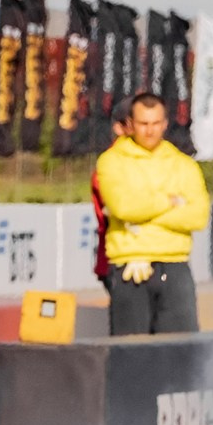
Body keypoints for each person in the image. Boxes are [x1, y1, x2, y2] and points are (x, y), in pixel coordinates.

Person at [96, 92, 210, 334]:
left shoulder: (184, 165)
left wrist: (143, 216)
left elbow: (198, 216)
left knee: (181, 352)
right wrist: (170, 201)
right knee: (132, 356)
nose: (150, 131)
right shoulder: (111, 162)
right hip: (129, 268)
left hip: (175, 266)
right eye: (143, 124)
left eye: (156, 123)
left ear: (165, 124)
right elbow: (123, 207)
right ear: (130, 125)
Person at [90, 99, 134, 292]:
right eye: (139, 123)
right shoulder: (109, 164)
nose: (149, 130)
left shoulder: (164, 159)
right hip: (118, 261)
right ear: (119, 128)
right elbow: (117, 208)